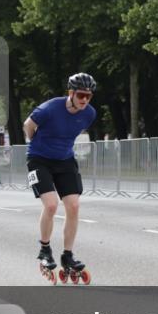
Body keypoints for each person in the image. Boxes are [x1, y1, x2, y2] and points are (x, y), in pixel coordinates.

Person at [24, 72, 98, 284]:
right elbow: (27, 125)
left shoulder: (89, 114)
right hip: (38, 159)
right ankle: (45, 249)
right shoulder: (50, 108)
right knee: (51, 206)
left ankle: (68, 255)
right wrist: (37, 143)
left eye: (89, 96)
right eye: (81, 95)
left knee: (73, 206)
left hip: (65, 160)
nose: (85, 100)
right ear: (71, 93)